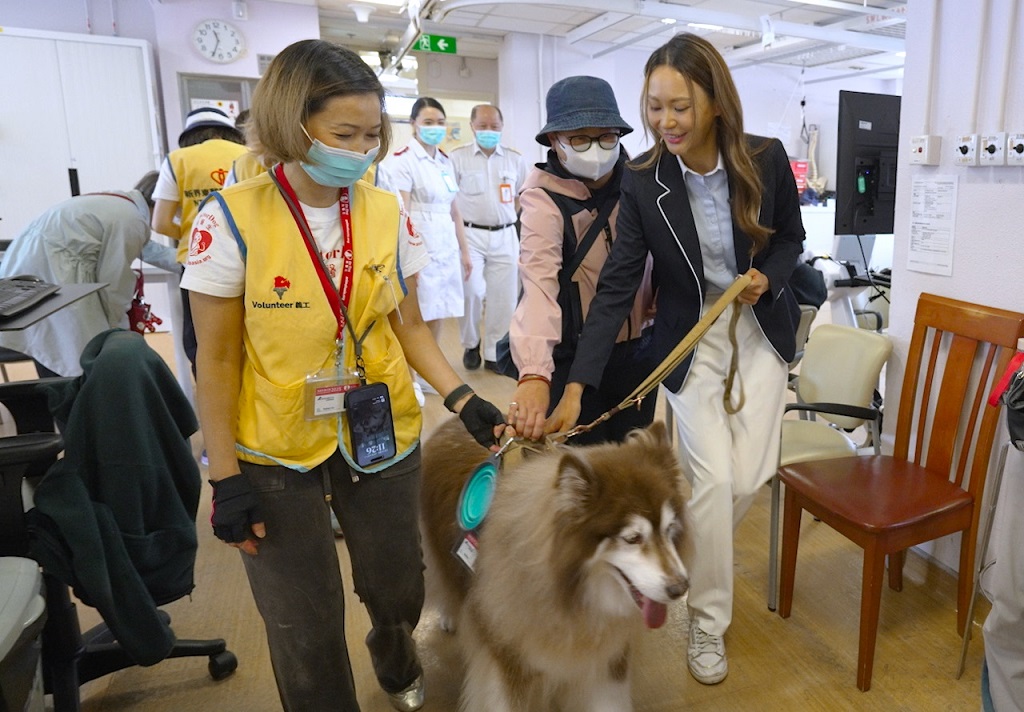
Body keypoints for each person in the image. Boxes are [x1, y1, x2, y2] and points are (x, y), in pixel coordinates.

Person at [179, 39, 508, 712]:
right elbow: (213, 360)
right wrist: (224, 476)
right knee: (303, 620)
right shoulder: (231, 218)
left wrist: (462, 393)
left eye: (370, 135)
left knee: (399, 587)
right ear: (291, 126)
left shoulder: (385, 213)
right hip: (272, 447)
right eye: (343, 134)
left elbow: (408, 325)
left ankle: (394, 653)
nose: (361, 150)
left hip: (378, 427)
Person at [551, 34, 805, 685]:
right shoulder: (644, 180)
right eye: (655, 107)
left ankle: (687, 552)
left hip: (758, 330)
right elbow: (616, 286)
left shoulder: (765, 159)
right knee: (715, 482)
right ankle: (706, 620)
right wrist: (578, 385)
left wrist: (766, 280)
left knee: (747, 479)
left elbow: (790, 242)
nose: (665, 122)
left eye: (680, 107)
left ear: (715, 103)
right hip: (690, 343)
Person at [508, 75, 656, 445]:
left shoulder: (640, 183)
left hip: (637, 350)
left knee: (631, 461)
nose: (596, 149)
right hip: (571, 354)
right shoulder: (543, 199)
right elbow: (539, 285)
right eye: (579, 139)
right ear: (554, 143)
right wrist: (534, 373)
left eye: (607, 136)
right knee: (581, 470)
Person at [0, 171, 177, 377]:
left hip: (28, 268)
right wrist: (120, 329)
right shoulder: (130, 218)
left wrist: (194, 260)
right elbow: (114, 282)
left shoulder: (119, 204)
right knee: (76, 355)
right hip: (57, 275)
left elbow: (146, 248)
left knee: (53, 342)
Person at [377, 97, 471, 400]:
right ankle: (410, 377)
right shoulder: (403, 160)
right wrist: (407, 258)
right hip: (421, 240)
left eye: (439, 122)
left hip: (445, 241)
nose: (435, 128)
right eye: (428, 122)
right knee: (418, 312)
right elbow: (402, 212)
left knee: (439, 310)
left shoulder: (445, 161)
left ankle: (429, 370)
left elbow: (455, 211)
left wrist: (464, 251)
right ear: (414, 124)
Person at [151, 106, 247, 375]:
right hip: (248, 257)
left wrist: (196, 236)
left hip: (198, 261)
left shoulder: (177, 159)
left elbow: (160, 222)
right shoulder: (249, 156)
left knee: (202, 341)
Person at [448, 104, 528, 371]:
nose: (489, 131)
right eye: (483, 126)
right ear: (472, 127)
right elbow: (451, 200)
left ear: (502, 127)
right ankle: (471, 342)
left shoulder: (515, 159)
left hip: (505, 234)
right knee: (471, 292)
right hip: (470, 234)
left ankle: (495, 352)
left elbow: (521, 197)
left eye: (494, 126)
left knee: (503, 297)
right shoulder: (457, 158)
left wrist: (504, 218)